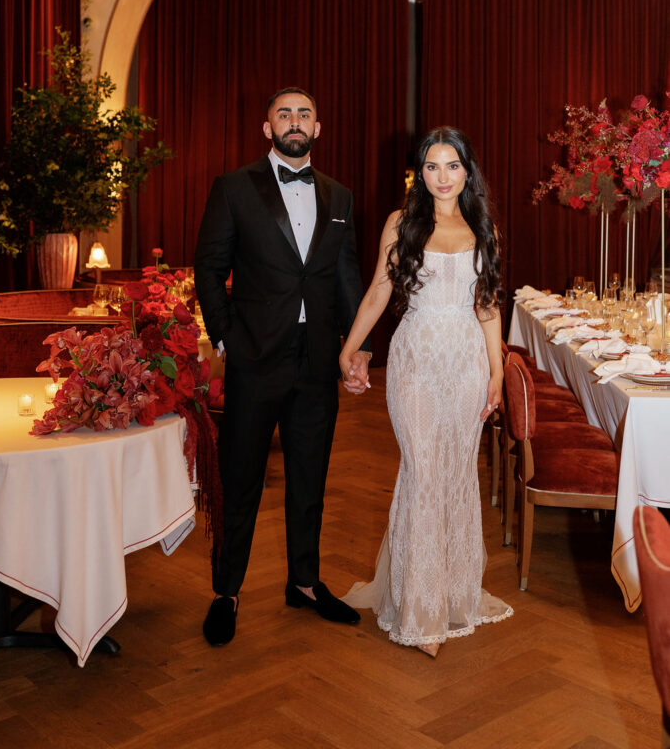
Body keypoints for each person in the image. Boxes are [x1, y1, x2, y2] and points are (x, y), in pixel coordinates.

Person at [194, 87, 371, 646]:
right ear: (267, 128)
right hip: (254, 360)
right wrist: (227, 338)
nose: (294, 122)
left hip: (317, 362)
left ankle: (305, 582)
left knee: (310, 480)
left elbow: (347, 280)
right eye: (284, 114)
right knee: (240, 479)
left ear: (318, 129)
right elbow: (208, 267)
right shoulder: (233, 187)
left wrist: (357, 347)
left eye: (304, 114)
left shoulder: (340, 196)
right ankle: (227, 592)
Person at [338, 126, 513, 656]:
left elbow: (488, 305)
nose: (443, 177)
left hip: (466, 364)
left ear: (467, 171)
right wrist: (349, 348)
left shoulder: (484, 227)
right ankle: (419, 609)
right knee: (421, 471)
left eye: (452, 166)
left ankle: (453, 595)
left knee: (456, 472)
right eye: (432, 167)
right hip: (414, 361)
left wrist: (497, 372)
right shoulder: (402, 222)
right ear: (421, 173)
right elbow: (377, 291)